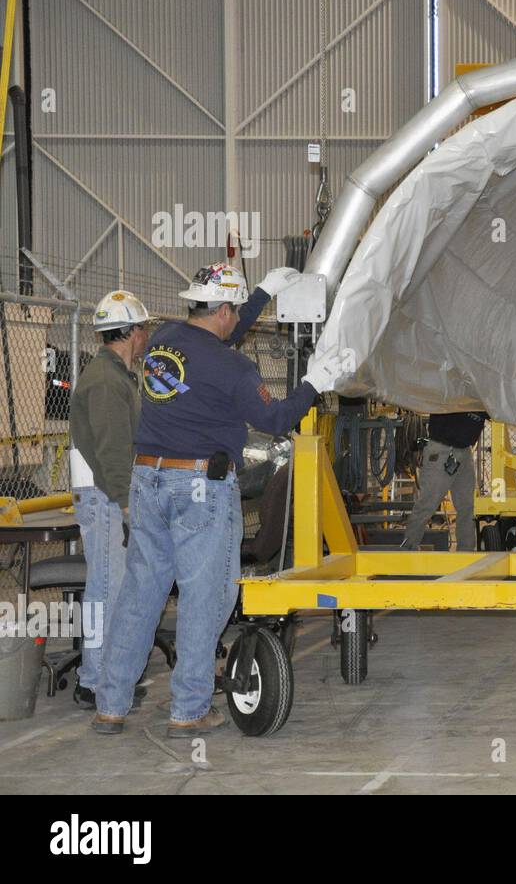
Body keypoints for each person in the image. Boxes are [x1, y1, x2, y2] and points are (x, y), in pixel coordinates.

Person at [92, 263, 331, 738]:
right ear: (224, 309)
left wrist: (261, 293)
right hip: (198, 488)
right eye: (237, 310)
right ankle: (188, 710)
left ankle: (110, 706)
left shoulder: (163, 338)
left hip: (147, 480)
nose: (239, 318)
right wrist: (314, 384)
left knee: (141, 595)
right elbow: (278, 417)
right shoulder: (234, 368)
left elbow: (215, 339)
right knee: (205, 598)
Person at [67, 290, 151, 709]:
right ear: (133, 332)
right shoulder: (105, 380)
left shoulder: (114, 375)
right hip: (106, 496)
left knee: (114, 586)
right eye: (144, 328)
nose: (147, 335)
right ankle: (95, 680)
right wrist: (125, 503)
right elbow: (113, 449)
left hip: (107, 493)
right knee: (106, 586)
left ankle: (107, 675)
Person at [402, 411, 488, 551]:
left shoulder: (482, 394)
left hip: (464, 452)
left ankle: (465, 552)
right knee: (427, 504)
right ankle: (407, 549)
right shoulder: (453, 391)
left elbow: (498, 408)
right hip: (441, 450)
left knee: (466, 506)